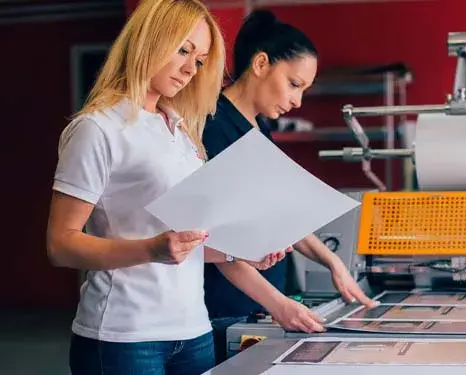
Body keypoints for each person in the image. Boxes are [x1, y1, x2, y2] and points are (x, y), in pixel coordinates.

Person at [45, 1, 290, 374]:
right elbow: (61, 245)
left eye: (201, 59)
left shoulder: (179, 129)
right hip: (124, 336)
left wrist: (237, 252)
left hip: (194, 331)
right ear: (149, 40)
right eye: (183, 50)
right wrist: (150, 249)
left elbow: (182, 244)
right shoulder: (97, 129)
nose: (192, 68)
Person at [202, 9, 378, 364]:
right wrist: (278, 305)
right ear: (262, 63)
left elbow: (281, 214)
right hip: (225, 309)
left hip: (263, 306)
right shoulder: (213, 126)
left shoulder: (261, 131)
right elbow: (215, 239)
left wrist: (333, 263)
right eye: (294, 84)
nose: (298, 101)